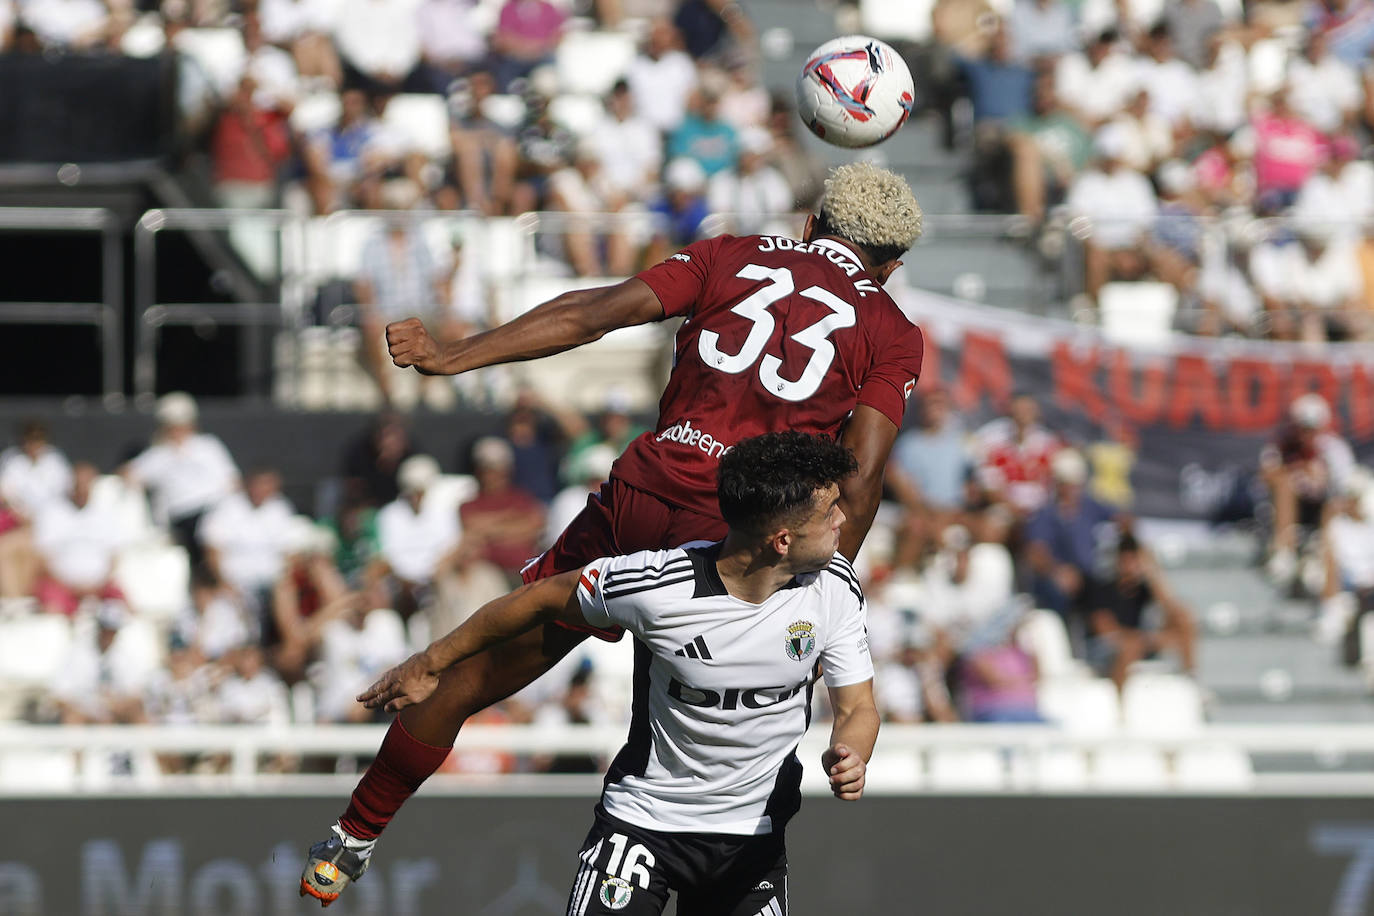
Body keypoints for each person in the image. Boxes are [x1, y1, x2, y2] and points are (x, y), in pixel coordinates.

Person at [298, 161, 925, 903]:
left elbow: (597, 312)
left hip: (639, 495)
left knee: (470, 672)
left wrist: (458, 354)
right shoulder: (890, 328)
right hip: (730, 534)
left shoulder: (731, 253)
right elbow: (863, 471)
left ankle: (354, 835)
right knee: (701, 727)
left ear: (813, 226)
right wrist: (826, 591)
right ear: (889, 266)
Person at [308, 433, 879, 912]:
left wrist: (851, 750)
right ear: (781, 540)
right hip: (643, 828)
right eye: (830, 512)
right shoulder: (656, 585)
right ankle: (355, 830)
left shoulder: (834, 590)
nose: (844, 520)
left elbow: (857, 708)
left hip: (753, 843)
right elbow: (535, 601)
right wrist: (431, 661)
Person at [1260, 393, 1355, 586]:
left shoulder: (1334, 449)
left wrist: (1320, 478)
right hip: (1292, 509)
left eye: (1311, 429)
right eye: (1302, 428)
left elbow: (1346, 490)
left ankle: (1320, 552)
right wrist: (1293, 471)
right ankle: (1284, 550)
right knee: (1284, 484)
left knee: (1335, 504)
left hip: (1324, 509)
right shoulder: (1281, 445)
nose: (1306, 434)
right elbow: (1266, 475)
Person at [1086, 532, 1198, 690]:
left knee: (1184, 619)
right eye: (1127, 560)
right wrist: (1140, 639)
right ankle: (1119, 704)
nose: (1131, 566)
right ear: (1118, 561)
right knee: (1131, 646)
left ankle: (1192, 683)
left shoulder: (1144, 590)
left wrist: (1152, 574)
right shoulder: (1102, 588)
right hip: (1104, 648)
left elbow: (1173, 609)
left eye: (1135, 560)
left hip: (1138, 642)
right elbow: (1103, 628)